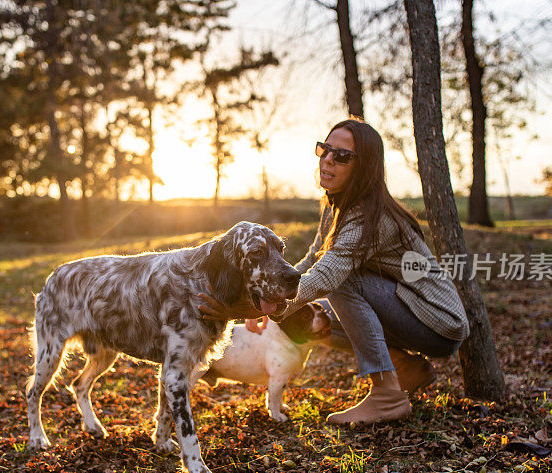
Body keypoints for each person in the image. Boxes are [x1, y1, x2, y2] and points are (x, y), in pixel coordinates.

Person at [199, 117, 470, 425]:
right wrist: (261, 297)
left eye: (341, 155)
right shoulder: (334, 205)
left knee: (341, 282)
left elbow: (327, 275)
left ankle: (386, 395)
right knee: (314, 318)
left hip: (436, 321)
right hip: (402, 309)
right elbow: (312, 260)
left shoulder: (373, 218)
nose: (328, 159)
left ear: (364, 166)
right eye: (324, 149)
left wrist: (242, 307)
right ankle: (403, 369)